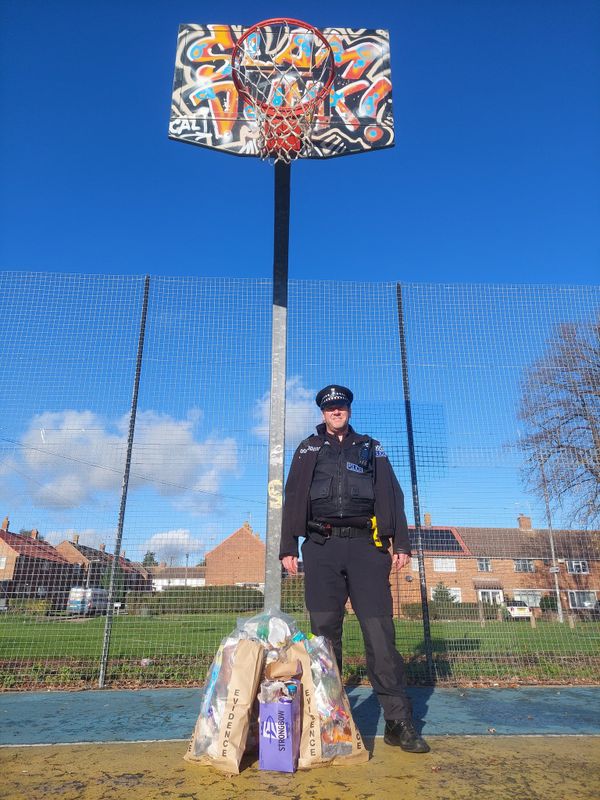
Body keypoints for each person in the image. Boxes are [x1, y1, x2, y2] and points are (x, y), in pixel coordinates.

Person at [280, 384, 430, 754]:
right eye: (330, 408)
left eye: (342, 407)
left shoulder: (370, 447)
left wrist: (402, 543)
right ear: (322, 413)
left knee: (380, 637)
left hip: (367, 548)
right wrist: (288, 548)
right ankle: (329, 724)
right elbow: (293, 496)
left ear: (348, 410)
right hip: (321, 548)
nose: (336, 412)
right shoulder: (308, 449)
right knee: (323, 641)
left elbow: (390, 494)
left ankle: (398, 722)